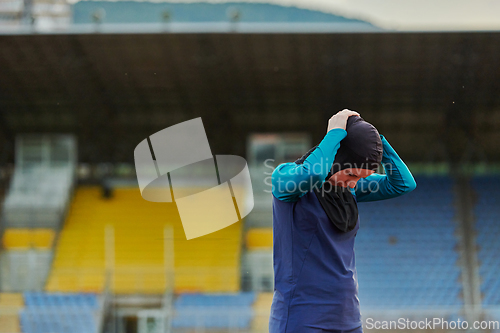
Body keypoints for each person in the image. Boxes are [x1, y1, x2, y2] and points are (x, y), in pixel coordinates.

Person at [269, 109, 417, 333]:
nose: (354, 183)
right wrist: (335, 132)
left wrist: (375, 140)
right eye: (351, 175)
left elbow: (403, 184)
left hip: (348, 318)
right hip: (302, 318)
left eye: (360, 178)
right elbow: (314, 174)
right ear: (337, 160)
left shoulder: (348, 190)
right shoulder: (286, 181)